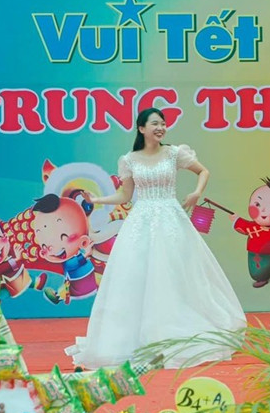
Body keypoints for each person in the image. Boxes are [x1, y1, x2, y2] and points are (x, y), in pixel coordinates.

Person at [65, 108, 247, 369]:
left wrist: (196, 193)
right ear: (141, 129)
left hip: (171, 219)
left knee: (174, 274)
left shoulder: (174, 153)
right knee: (138, 277)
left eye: (163, 123)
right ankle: (140, 337)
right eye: (154, 124)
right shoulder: (129, 160)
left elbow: (203, 171)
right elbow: (125, 196)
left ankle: (176, 331)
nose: (160, 127)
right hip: (141, 222)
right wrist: (98, 199)